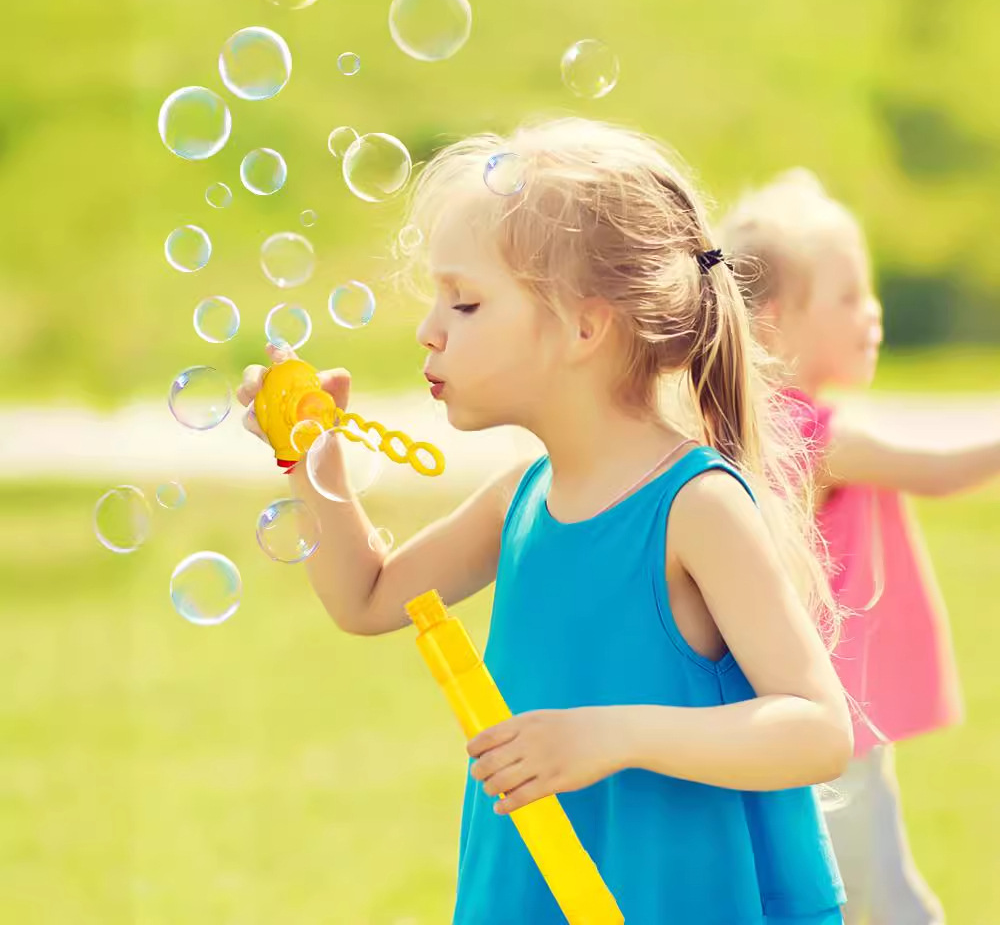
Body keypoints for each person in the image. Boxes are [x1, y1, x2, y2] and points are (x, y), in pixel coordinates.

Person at [238, 119, 853, 924]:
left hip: (673, 894)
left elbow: (818, 730)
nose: (429, 328)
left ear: (585, 327)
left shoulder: (692, 508)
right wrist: (311, 459)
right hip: (536, 891)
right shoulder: (518, 500)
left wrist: (615, 735)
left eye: (464, 301)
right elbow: (366, 597)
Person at [718, 168, 1000, 924]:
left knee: (879, 888)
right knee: (880, 898)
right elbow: (938, 470)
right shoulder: (815, 437)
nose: (872, 314)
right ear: (772, 321)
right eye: (848, 297)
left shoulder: (754, 427)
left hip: (809, 714)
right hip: (834, 720)